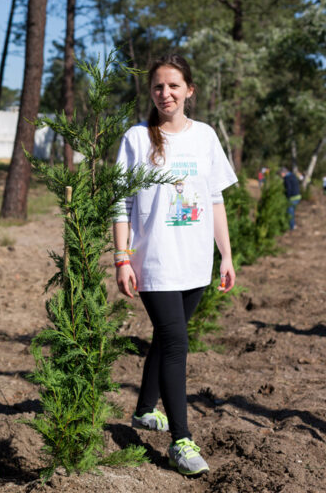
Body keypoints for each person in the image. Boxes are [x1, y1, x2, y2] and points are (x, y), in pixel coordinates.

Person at [112, 54, 237, 476]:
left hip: (196, 261)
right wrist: (121, 257)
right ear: (151, 92)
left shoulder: (204, 136)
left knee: (167, 341)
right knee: (176, 343)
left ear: (189, 90)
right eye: (158, 87)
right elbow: (121, 201)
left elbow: (215, 198)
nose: (165, 94)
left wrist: (226, 254)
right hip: (155, 262)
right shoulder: (136, 138)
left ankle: (145, 409)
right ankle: (181, 441)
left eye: (173, 86)